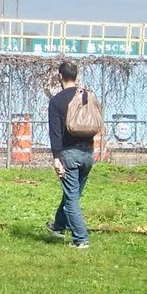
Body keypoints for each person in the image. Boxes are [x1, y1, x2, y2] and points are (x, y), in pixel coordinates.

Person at [45, 60, 94, 249]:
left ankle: (81, 239)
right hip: (88, 152)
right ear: (76, 76)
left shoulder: (57, 101)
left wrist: (56, 158)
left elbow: (55, 133)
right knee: (72, 193)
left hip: (69, 154)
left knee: (71, 198)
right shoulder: (86, 96)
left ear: (60, 76)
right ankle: (58, 226)